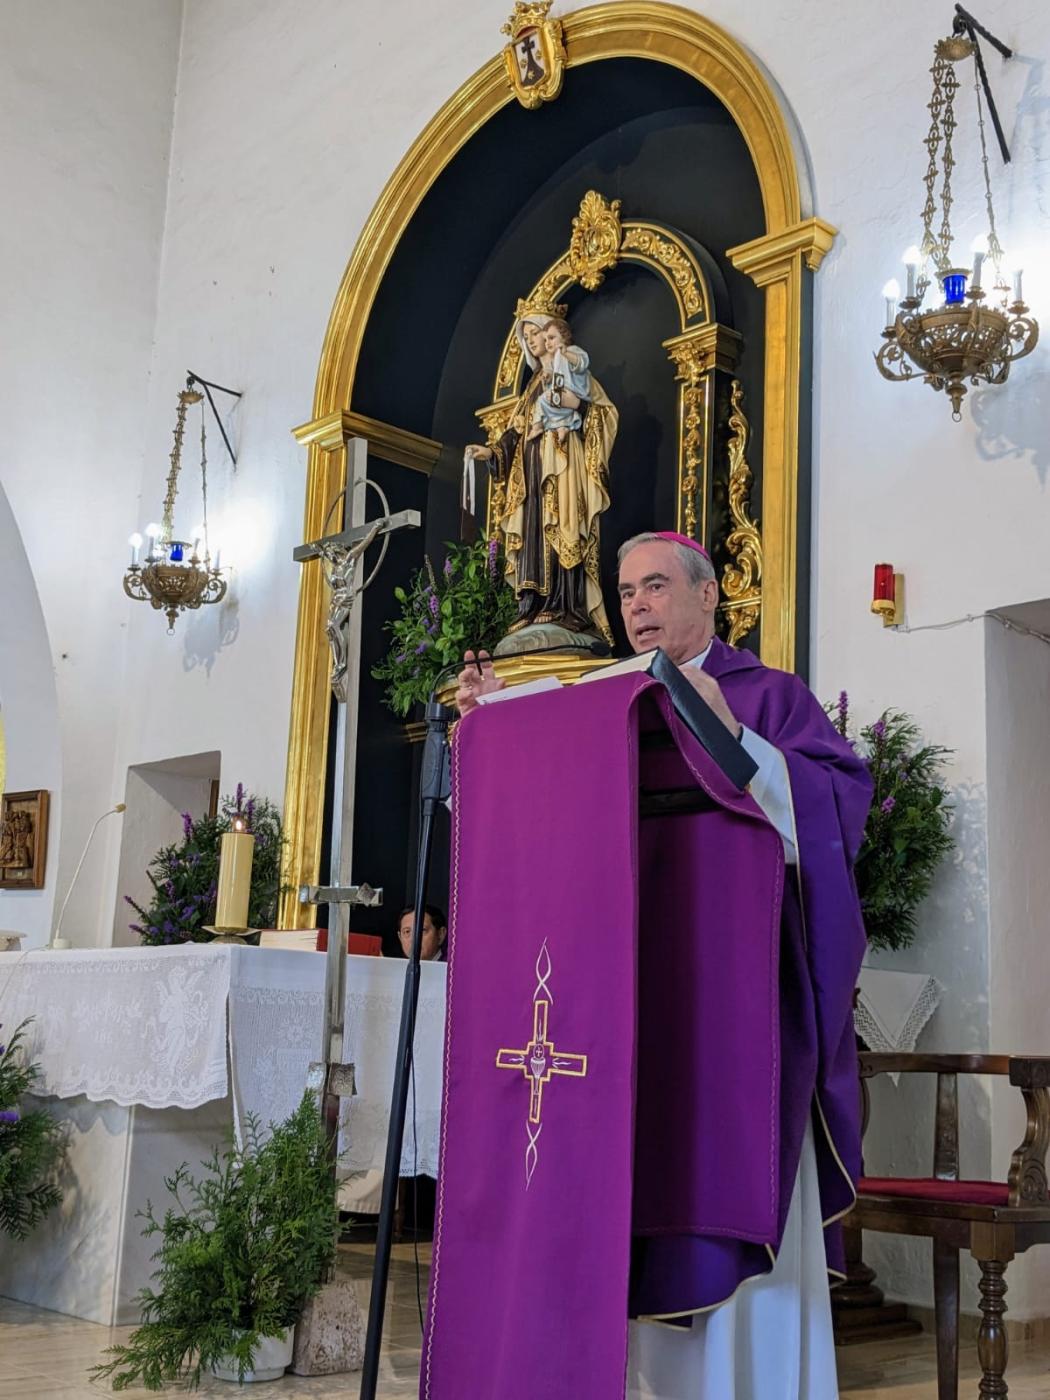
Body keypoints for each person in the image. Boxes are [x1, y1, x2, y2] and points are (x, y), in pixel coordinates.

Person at [454, 528, 873, 1400]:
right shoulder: (602, 702)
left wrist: (740, 740)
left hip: (733, 1009)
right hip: (628, 999)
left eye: (654, 586)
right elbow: (536, 818)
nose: (637, 606)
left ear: (707, 596)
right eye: (625, 592)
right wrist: (491, 729)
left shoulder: (769, 696)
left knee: (722, 1179)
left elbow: (837, 809)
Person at [464, 307, 617, 641]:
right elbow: (516, 431)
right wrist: (491, 452)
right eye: (527, 337)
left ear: (552, 336)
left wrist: (575, 406)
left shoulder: (573, 370)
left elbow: (603, 414)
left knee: (564, 526)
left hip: (564, 466)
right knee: (534, 531)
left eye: (536, 333)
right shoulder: (533, 385)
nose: (532, 341)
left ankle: (566, 606)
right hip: (531, 474)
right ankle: (532, 605)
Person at [535, 317, 592, 443]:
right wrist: (548, 376)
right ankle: (560, 426)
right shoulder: (556, 358)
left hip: (574, 392)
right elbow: (555, 373)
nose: (547, 343)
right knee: (542, 400)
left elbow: (582, 362)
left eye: (551, 338)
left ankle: (564, 426)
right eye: (545, 340)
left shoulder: (571, 351)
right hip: (560, 393)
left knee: (553, 403)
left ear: (564, 336)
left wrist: (566, 353)